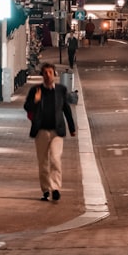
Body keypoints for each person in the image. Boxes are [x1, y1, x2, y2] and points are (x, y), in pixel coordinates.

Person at [23, 63, 76, 201]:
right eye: (45, 73)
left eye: (50, 73)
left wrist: (72, 128)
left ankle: (56, 188)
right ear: (42, 75)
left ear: (54, 74)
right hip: (41, 131)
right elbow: (26, 107)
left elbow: (66, 109)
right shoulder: (35, 90)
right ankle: (46, 190)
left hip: (56, 131)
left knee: (55, 159)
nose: (48, 75)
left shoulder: (61, 90)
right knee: (43, 162)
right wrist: (35, 101)